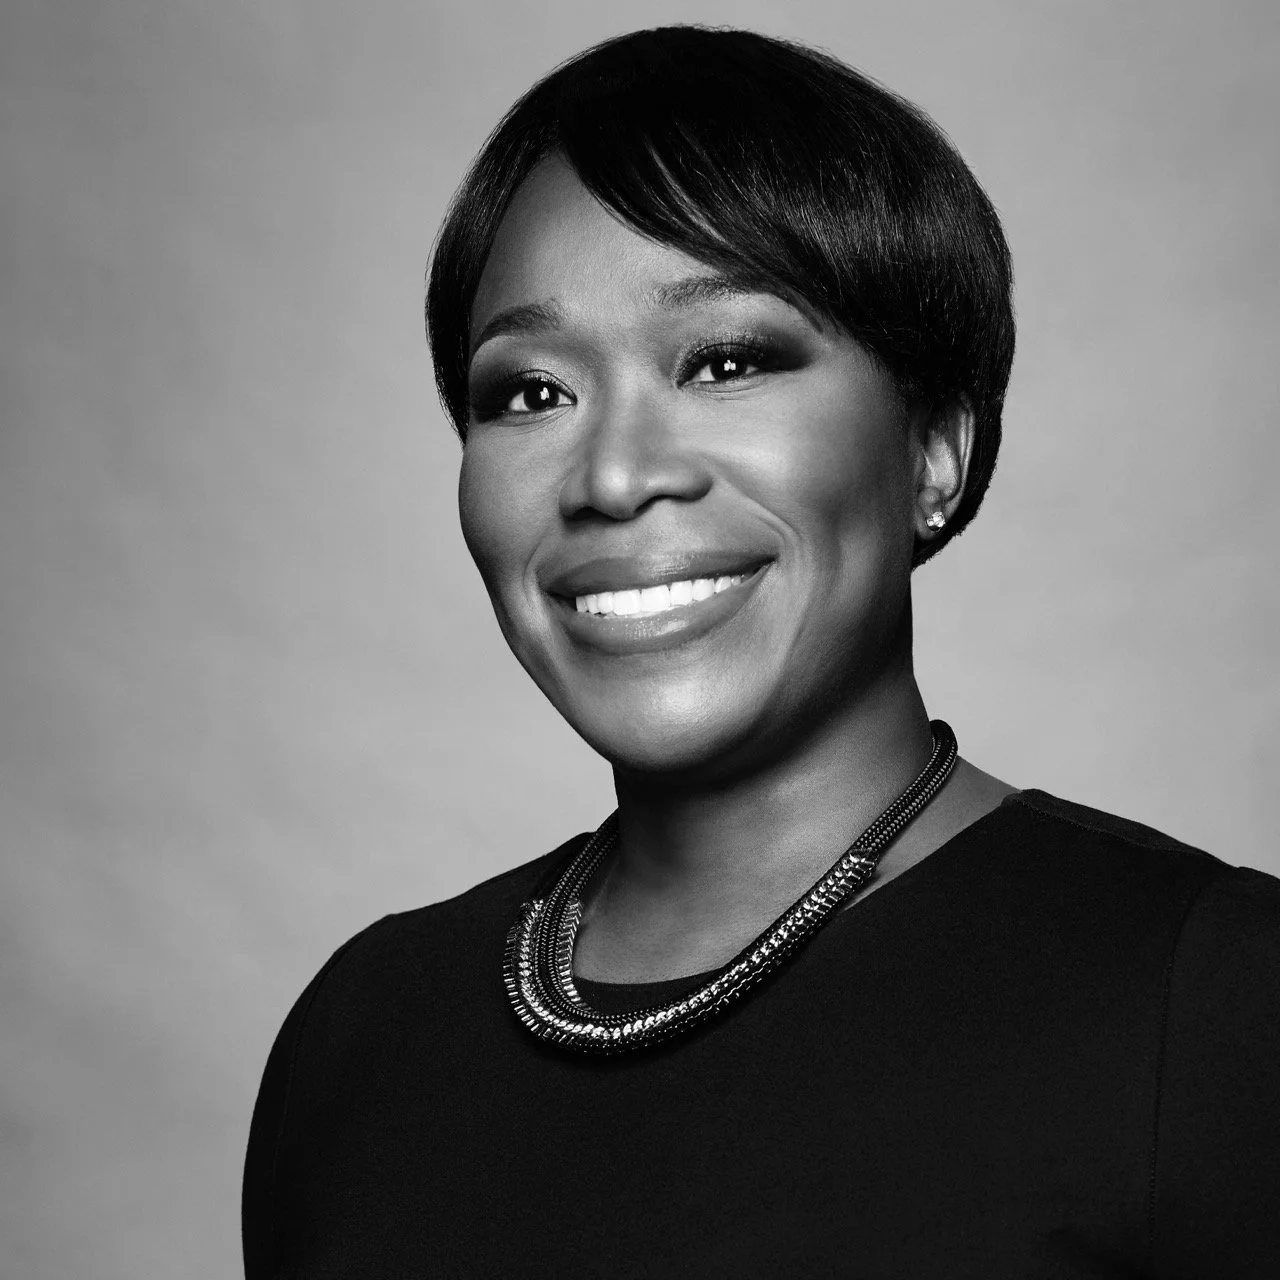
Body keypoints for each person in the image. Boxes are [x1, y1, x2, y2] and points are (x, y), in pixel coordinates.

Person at [242, 26, 1280, 1277]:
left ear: (934, 449)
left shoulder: (1209, 997)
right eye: (528, 392)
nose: (616, 476)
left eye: (725, 361)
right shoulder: (367, 1032)